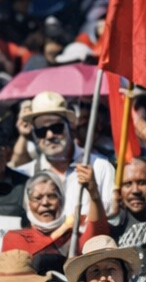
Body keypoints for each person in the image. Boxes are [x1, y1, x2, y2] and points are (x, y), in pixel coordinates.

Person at [15, 91, 117, 219]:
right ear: (34, 135)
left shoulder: (100, 167)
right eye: (41, 131)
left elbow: (113, 217)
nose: (50, 135)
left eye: (57, 127)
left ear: (71, 126)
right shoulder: (26, 175)